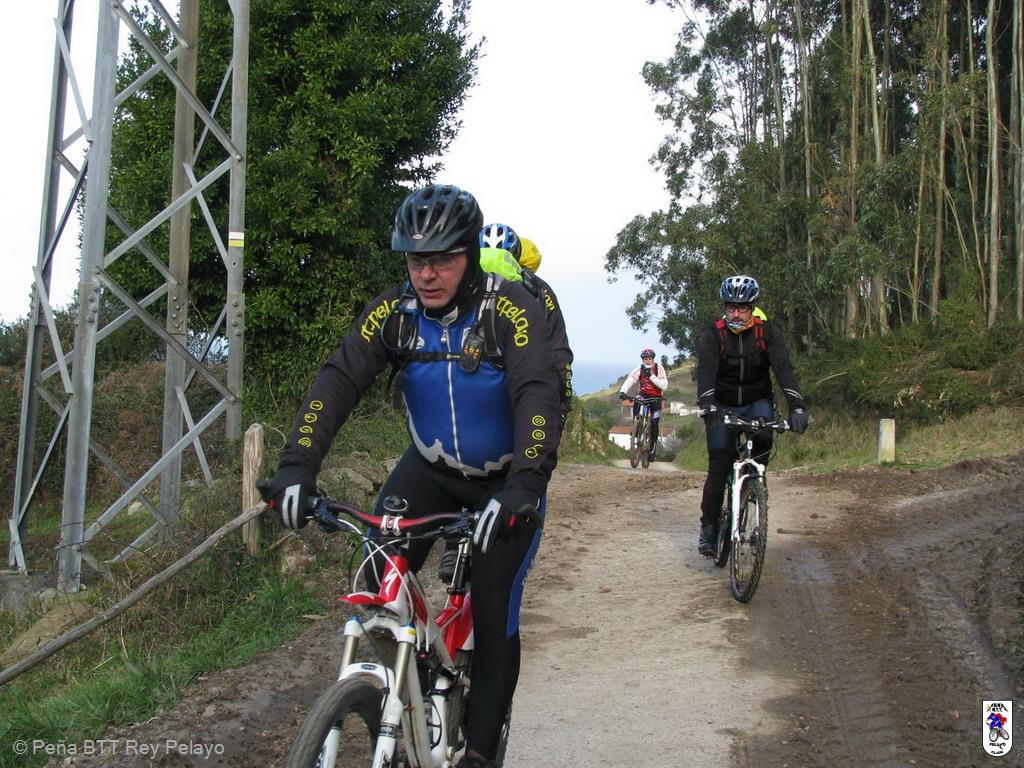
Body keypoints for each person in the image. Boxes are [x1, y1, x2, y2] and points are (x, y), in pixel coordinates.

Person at [261, 184, 561, 768]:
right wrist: (297, 464)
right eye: (415, 259)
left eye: (442, 259)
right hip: (428, 468)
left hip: (506, 483)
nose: (426, 274)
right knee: (376, 580)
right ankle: (405, 689)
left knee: (494, 610)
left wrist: (526, 483)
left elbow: (538, 393)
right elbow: (339, 378)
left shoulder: (509, 310)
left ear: (470, 255)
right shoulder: (395, 312)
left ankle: (479, 750)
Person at [695, 275, 810, 556]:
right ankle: (709, 527)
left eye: (742, 308)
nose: (736, 314)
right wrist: (708, 405)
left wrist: (797, 406)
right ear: (724, 307)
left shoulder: (767, 333)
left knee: (763, 442)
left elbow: (783, 368)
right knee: (719, 465)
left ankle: (755, 483)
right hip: (722, 404)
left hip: (756, 402)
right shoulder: (713, 335)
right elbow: (706, 372)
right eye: (730, 307)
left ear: (752, 307)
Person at [478, 223, 574, 425]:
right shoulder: (539, 289)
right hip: (523, 388)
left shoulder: (461, 285)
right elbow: (558, 348)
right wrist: (563, 402)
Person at [617, 349, 668, 461]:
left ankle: (653, 449)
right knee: (636, 400)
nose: (647, 361)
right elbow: (630, 380)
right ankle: (636, 425)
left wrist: (651, 376)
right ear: (642, 360)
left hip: (656, 397)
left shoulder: (659, 368)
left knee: (654, 422)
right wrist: (623, 392)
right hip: (643, 395)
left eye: (650, 359)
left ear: (653, 359)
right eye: (645, 359)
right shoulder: (639, 369)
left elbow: (664, 386)